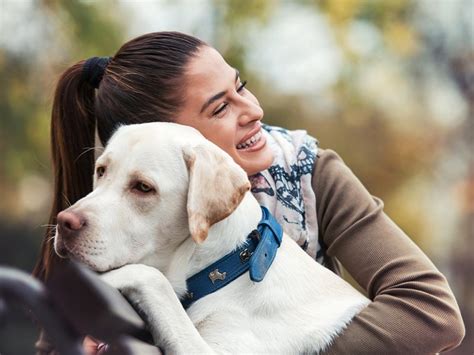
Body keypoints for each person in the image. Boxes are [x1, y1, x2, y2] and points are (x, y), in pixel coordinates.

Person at [33, 31, 465, 354]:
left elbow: (430, 313)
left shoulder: (305, 168)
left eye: (240, 87)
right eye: (220, 107)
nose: (254, 110)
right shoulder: (106, 232)